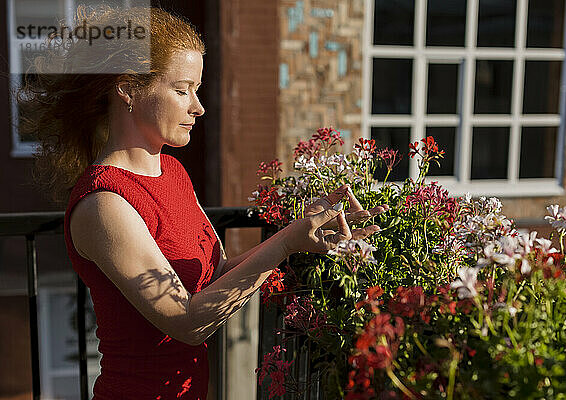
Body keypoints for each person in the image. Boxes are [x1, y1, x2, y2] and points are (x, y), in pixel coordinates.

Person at [21, 5, 387, 400]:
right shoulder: (103, 204)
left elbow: (217, 275)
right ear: (127, 88)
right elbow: (187, 322)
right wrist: (284, 244)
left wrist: (298, 231)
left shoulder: (172, 173)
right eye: (182, 90)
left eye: (196, 89)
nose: (198, 107)